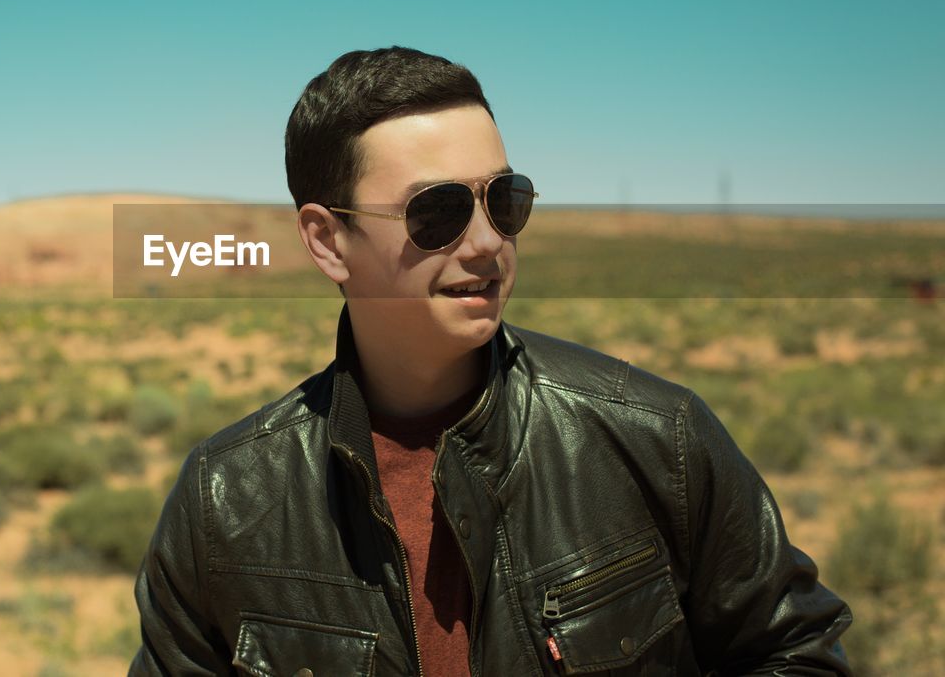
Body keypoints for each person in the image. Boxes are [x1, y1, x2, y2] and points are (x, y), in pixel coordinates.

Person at [130, 47, 853, 675]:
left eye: (502, 199)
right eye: (437, 210)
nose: (486, 242)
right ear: (326, 241)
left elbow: (796, 651)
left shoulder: (657, 439)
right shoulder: (224, 500)